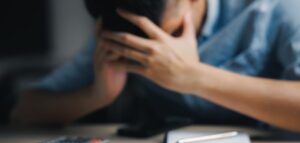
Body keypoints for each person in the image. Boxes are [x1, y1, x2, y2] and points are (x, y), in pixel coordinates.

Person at [11, 0, 300, 133]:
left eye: (157, 33)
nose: (146, 42)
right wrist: (97, 96)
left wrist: (195, 78)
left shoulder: (277, 11)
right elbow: (25, 109)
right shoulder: (122, 27)